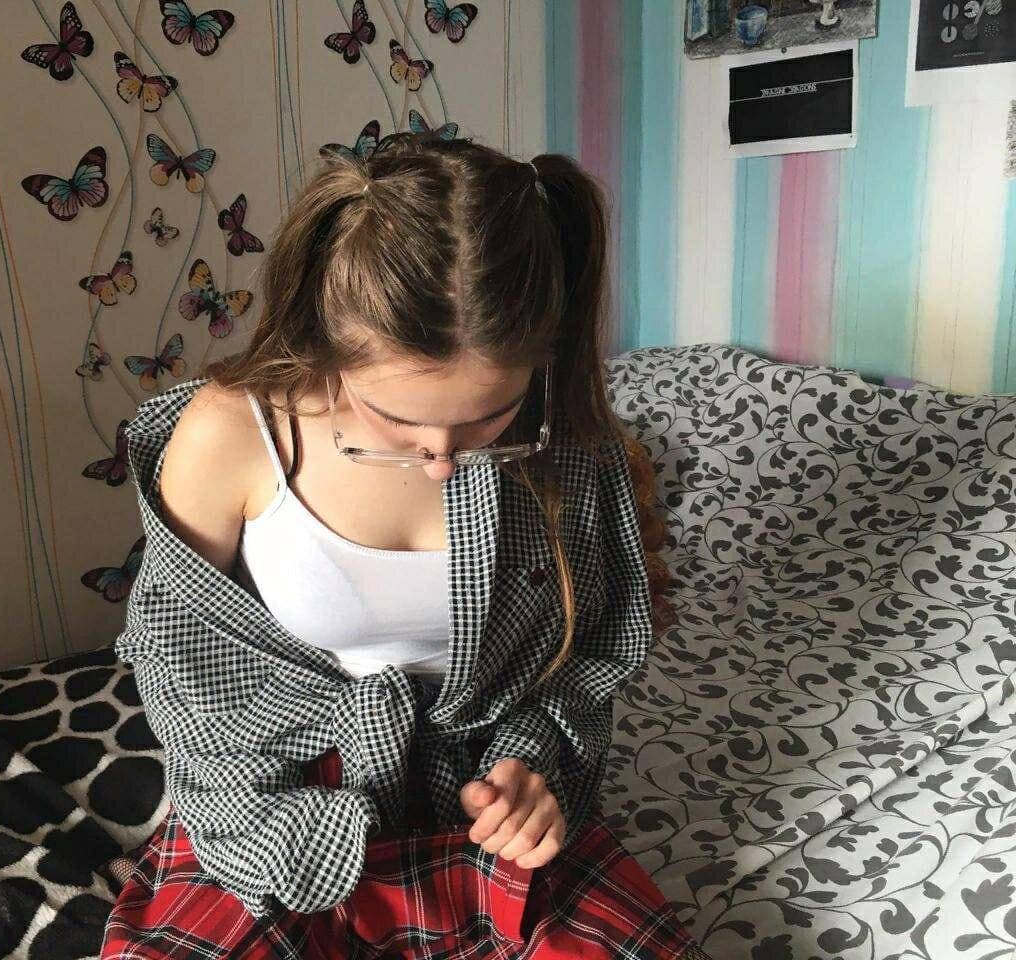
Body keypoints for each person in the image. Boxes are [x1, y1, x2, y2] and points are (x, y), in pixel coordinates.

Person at [101, 132, 708, 959]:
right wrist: (250, 816)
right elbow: (179, 661)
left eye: (488, 419)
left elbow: (588, 652)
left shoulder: (568, 445)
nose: (441, 460)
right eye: (395, 420)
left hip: (484, 785)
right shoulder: (230, 433)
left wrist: (534, 771)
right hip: (284, 786)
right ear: (328, 345)